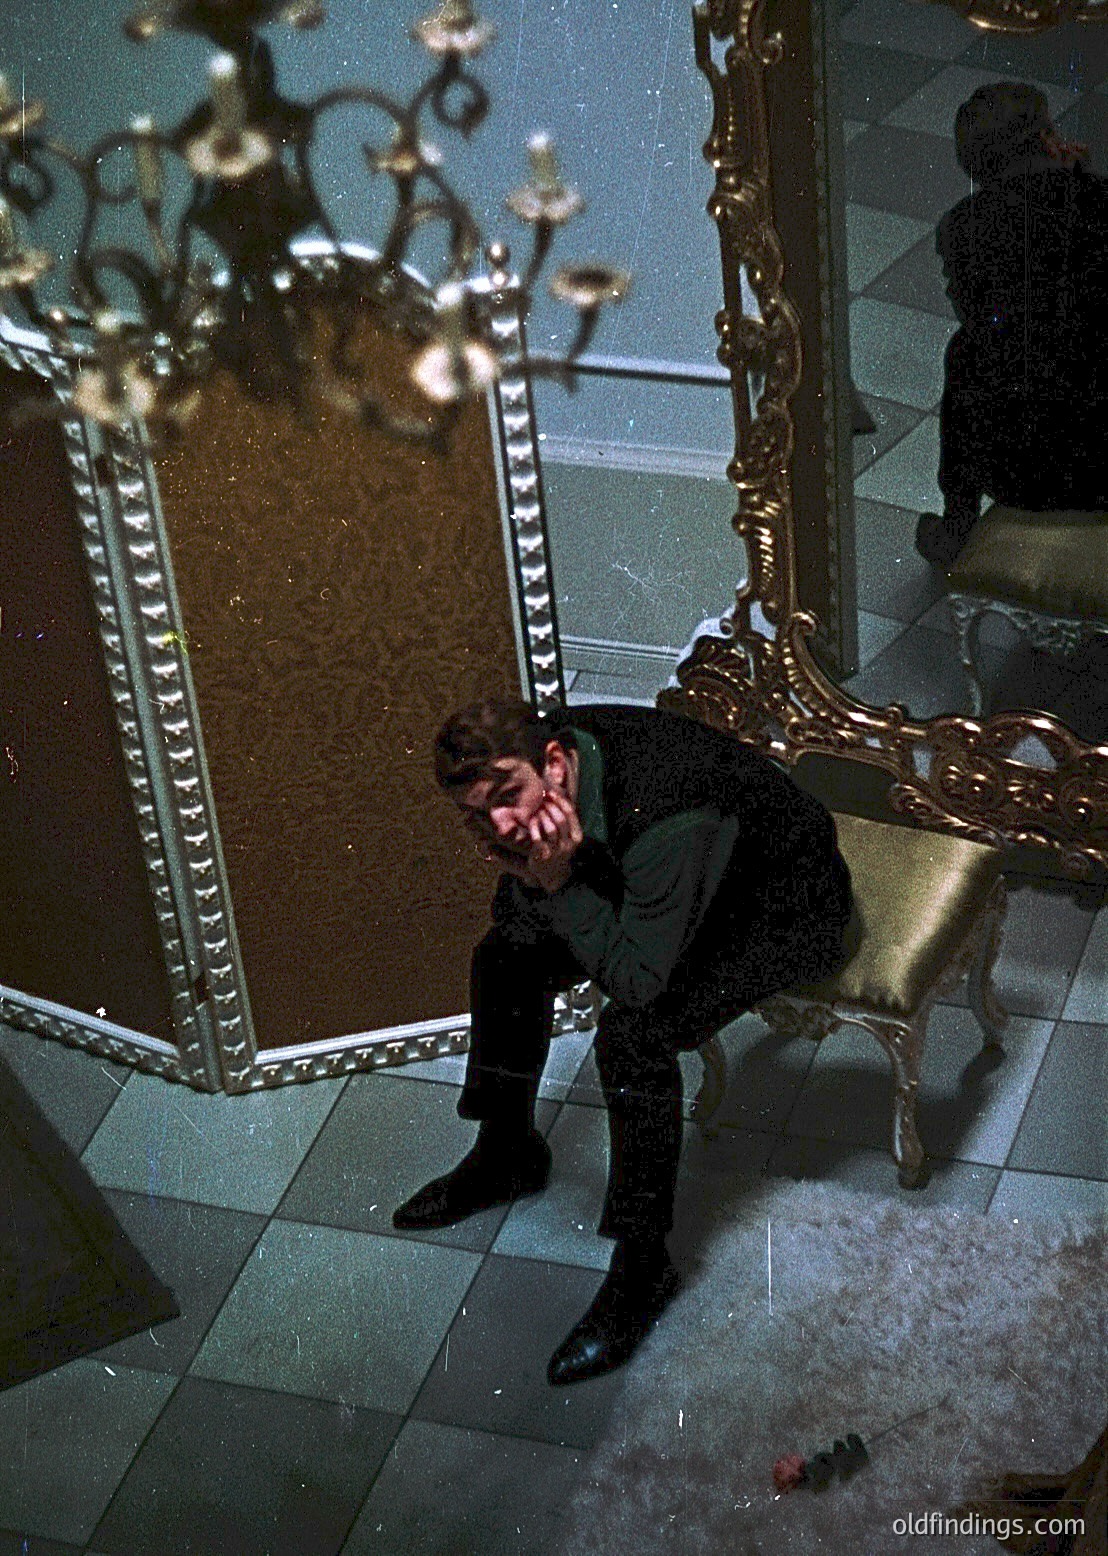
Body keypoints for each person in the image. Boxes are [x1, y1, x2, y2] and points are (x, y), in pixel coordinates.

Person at [392, 697, 856, 1385]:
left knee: (633, 1039)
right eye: (475, 816)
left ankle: (643, 1265)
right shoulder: (540, 766)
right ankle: (506, 1152)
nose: (500, 826)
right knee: (504, 955)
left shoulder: (668, 814)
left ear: (554, 764)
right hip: (652, 888)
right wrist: (543, 879)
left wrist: (556, 881)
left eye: (508, 799)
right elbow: (517, 910)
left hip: (777, 908)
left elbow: (638, 982)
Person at [916, 82, 1108, 566]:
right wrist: (1080, 178)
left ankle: (958, 523)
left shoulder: (963, 228)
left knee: (965, 353)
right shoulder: (1102, 200)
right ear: (1047, 139)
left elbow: (993, 327)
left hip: (1023, 472)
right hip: (1104, 461)